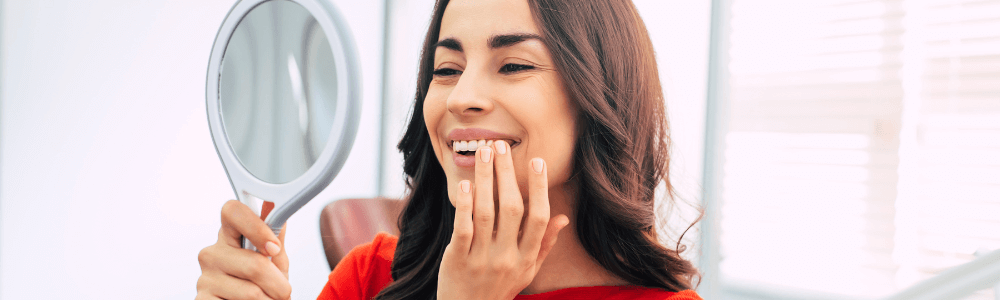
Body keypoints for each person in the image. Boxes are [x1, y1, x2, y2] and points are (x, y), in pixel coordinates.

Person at [196, 0, 702, 299]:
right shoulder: (370, 276)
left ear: (598, 97)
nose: (461, 98)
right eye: (447, 70)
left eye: (513, 66)